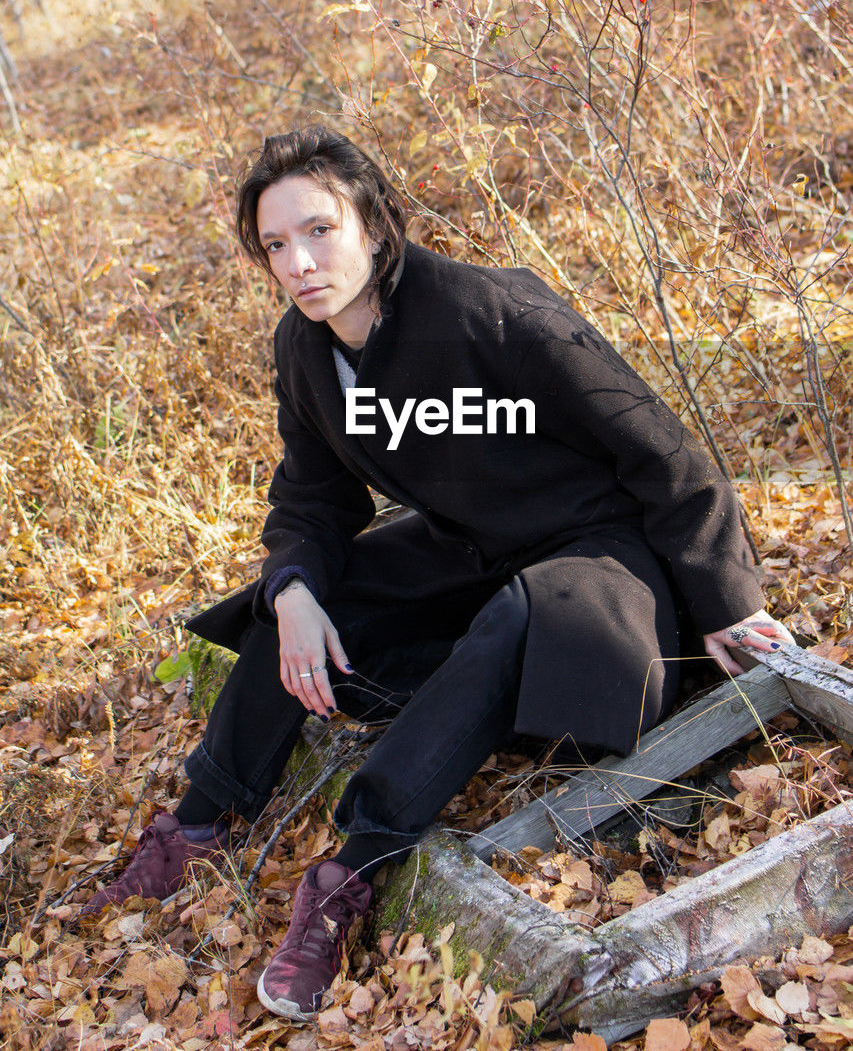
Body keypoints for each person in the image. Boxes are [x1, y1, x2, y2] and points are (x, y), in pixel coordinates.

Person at [77, 125, 794, 1022]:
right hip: (471, 549)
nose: (298, 262)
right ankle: (196, 823)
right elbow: (312, 500)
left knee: (523, 617)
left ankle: (351, 868)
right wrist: (295, 589)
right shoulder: (306, 353)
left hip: (603, 558)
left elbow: (667, 455)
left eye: (319, 230)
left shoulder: (499, 315)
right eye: (275, 244)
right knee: (292, 594)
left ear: (373, 226)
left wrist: (728, 603)